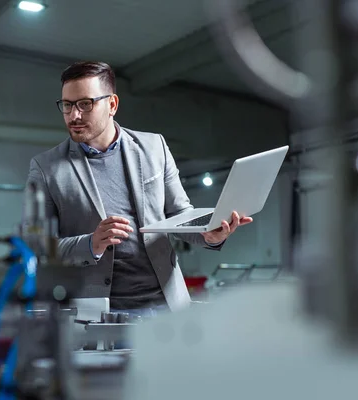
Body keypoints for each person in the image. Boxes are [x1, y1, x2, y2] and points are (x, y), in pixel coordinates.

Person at [25, 61, 252, 314]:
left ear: (112, 104)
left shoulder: (155, 147)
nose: (74, 115)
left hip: (167, 306)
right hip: (99, 314)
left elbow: (179, 214)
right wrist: (91, 244)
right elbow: (36, 246)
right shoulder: (46, 168)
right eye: (67, 105)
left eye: (85, 104)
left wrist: (207, 235)